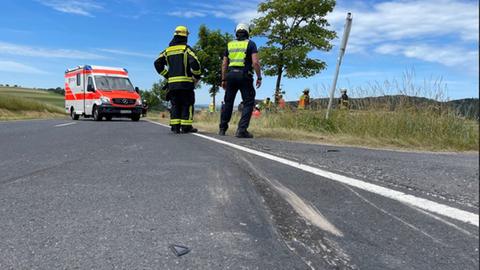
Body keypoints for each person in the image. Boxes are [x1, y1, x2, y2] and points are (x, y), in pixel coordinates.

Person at [154, 26, 202, 134]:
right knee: (187, 103)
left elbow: (157, 63)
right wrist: (197, 75)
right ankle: (186, 127)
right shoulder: (186, 49)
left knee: (175, 104)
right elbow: (195, 62)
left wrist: (167, 75)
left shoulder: (167, 50)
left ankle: (175, 127)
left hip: (172, 85)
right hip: (186, 84)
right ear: (185, 36)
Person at [219, 23, 262, 138]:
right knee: (248, 102)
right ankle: (241, 130)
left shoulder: (229, 45)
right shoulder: (251, 44)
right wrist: (259, 77)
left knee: (228, 102)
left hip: (231, 76)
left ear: (236, 32)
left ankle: (222, 128)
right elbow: (255, 63)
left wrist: (223, 79)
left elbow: (224, 64)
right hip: (244, 76)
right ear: (248, 32)